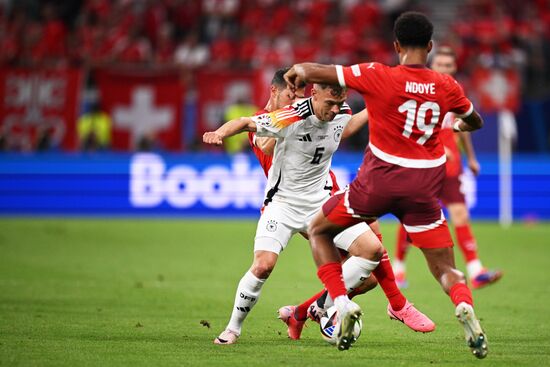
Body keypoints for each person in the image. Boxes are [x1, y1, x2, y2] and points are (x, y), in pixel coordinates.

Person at [283, 12, 489, 358]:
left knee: (319, 228)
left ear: (395, 46)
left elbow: (317, 71)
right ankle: (463, 305)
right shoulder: (447, 86)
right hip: (423, 187)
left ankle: (340, 303)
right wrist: (461, 126)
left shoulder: (377, 74)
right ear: (430, 46)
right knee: (445, 267)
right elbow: (474, 120)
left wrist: (298, 70)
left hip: (377, 183)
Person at [247, 68, 434, 341]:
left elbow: (340, 126)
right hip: (293, 200)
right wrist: (293, 115)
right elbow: (265, 145)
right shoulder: (261, 120)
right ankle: (397, 304)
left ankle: (301, 313)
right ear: (274, 91)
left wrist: (373, 106)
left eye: (298, 95)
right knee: (370, 240)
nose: (295, 101)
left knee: (368, 276)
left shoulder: (311, 110)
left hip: (325, 187)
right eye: (290, 95)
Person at [204, 83, 382, 349]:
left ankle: (321, 307)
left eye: (340, 103)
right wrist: (219, 132)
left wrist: (375, 108)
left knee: (372, 251)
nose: (335, 110)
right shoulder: (291, 114)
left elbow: (347, 127)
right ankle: (233, 328)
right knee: (263, 265)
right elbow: (244, 123)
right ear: (314, 94)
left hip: (321, 204)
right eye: (330, 103)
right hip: (283, 204)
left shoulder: (340, 111)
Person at [393, 47, 503, 290]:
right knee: (412, 218)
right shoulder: (424, 90)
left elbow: (464, 126)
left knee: (461, 215)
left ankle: (475, 270)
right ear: (433, 65)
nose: (444, 68)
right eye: (440, 64)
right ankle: (398, 269)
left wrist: (471, 158)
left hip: (451, 167)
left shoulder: (455, 91)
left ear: (454, 68)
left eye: (448, 65)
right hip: (425, 165)